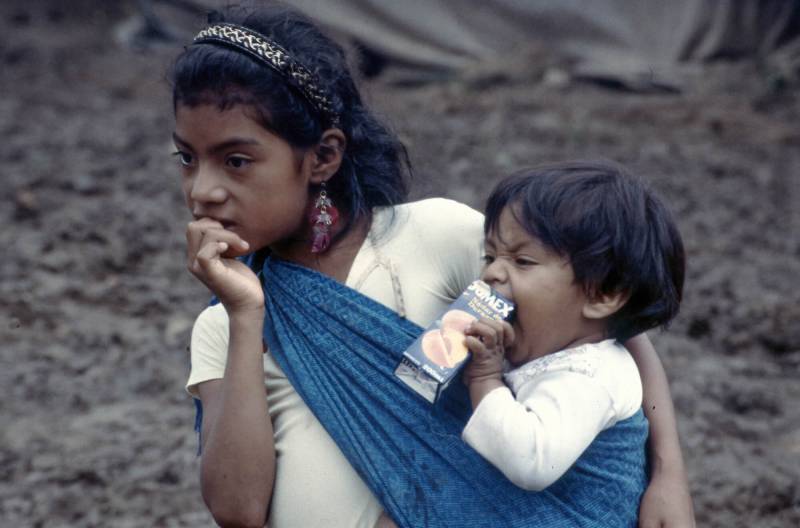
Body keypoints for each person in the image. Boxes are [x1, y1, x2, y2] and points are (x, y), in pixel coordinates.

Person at [171, 3, 694, 527]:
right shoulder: (225, 325)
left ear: (323, 157)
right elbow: (236, 511)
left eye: (236, 161)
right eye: (187, 159)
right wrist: (244, 317)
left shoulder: (437, 237)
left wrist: (669, 475)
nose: (203, 191)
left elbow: (605, 329)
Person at [460, 162, 684, 504]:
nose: (492, 272)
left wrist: (484, 378)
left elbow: (530, 460)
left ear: (602, 295)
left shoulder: (591, 374)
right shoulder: (550, 352)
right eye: (489, 256)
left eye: (523, 262)